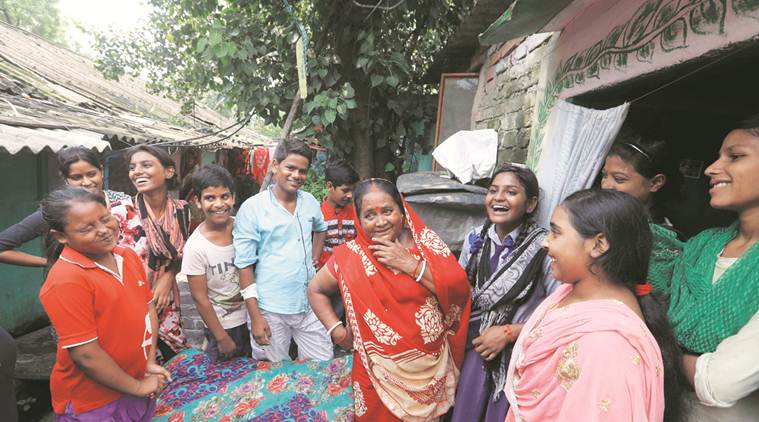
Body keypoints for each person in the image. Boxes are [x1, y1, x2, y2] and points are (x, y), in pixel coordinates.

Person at [505, 189, 682, 422]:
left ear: (599, 245)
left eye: (556, 233)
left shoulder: (608, 346)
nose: (544, 242)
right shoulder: (570, 292)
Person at [307, 178, 472, 421]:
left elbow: (458, 291)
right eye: (370, 215)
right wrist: (338, 332)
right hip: (374, 371)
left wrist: (410, 265)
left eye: (387, 211)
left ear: (402, 211)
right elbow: (315, 290)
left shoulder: (426, 246)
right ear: (359, 220)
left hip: (427, 371)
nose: (381, 222)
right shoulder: (350, 257)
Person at [38, 186, 172, 421]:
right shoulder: (66, 279)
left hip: (134, 381)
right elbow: (86, 355)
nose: (103, 230)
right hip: (94, 401)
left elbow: (147, 310)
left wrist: (147, 363)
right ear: (60, 236)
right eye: (87, 228)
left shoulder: (126, 256)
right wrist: (139, 387)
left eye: (105, 218)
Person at [664, 117, 759, 420]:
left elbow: (720, 381)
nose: (710, 168)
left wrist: (662, 349)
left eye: (735, 156)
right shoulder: (701, 245)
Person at [451, 164, 556, 422]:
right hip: (474, 350)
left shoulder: (544, 247)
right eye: (493, 191)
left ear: (530, 204)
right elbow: (459, 292)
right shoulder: (475, 239)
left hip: (516, 357)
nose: (498, 198)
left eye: (510, 192)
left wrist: (509, 333)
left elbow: (559, 310)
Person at [233, 138, 330, 362]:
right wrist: (255, 316)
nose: (296, 175)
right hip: (270, 309)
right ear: (275, 166)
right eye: (291, 168)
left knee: (322, 366)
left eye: (302, 171)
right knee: (272, 378)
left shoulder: (310, 202)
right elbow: (244, 267)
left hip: (309, 304)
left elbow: (320, 228)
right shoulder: (253, 208)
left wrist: (314, 257)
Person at [0, 146, 132, 267]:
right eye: (77, 177)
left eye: (91, 174)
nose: (86, 182)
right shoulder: (59, 211)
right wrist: (50, 263)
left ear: (101, 171)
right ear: (66, 179)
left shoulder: (124, 201)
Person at [117, 145, 191, 360]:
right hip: (130, 306)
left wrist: (168, 277)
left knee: (172, 364)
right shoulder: (120, 212)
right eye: (133, 167)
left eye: (146, 165)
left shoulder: (181, 210)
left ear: (169, 172)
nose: (137, 171)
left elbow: (182, 253)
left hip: (166, 303)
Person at [181, 165, 250, 362]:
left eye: (224, 196)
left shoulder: (243, 228)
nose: (219, 204)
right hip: (223, 326)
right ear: (197, 201)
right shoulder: (196, 246)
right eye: (210, 198)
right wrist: (221, 337)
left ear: (233, 197)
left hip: (253, 318)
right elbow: (200, 298)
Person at [601, 137, 684, 297]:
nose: (606, 185)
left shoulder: (662, 238)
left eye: (619, 179)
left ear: (655, 183)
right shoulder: (604, 220)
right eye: (604, 175)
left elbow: (654, 293)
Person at [317, 161, 359, 269]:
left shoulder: (357, 212)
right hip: (324, 275)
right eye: (345, 190)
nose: (350, 195)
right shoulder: (317, 214)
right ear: (330, 186)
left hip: (351, 271)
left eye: (352, 190)